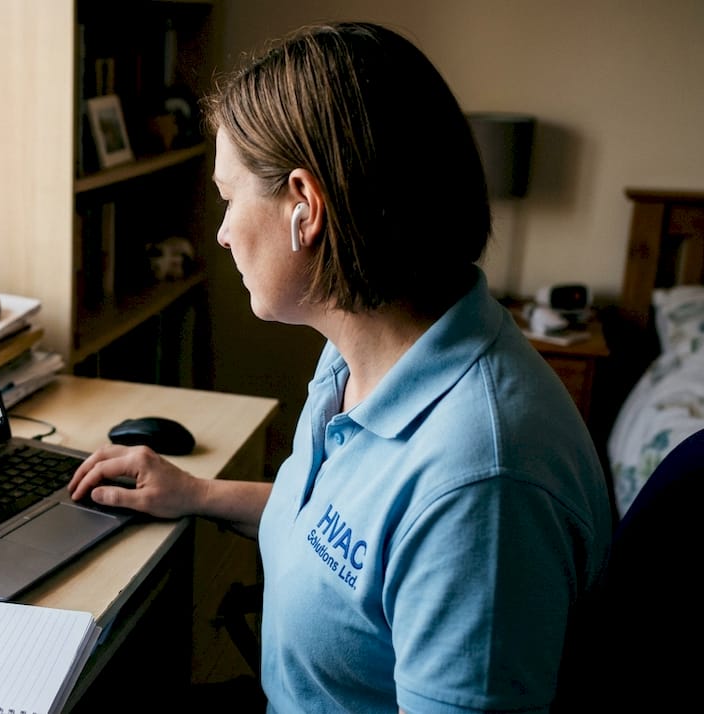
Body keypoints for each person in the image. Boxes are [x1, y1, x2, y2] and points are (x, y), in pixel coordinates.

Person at [68, 22, 612, 714]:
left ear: (306, 206)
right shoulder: (363, 353)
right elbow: (344, 539)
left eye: (231, 197)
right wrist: (198, 494)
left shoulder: (479, 488)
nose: (223, 230)